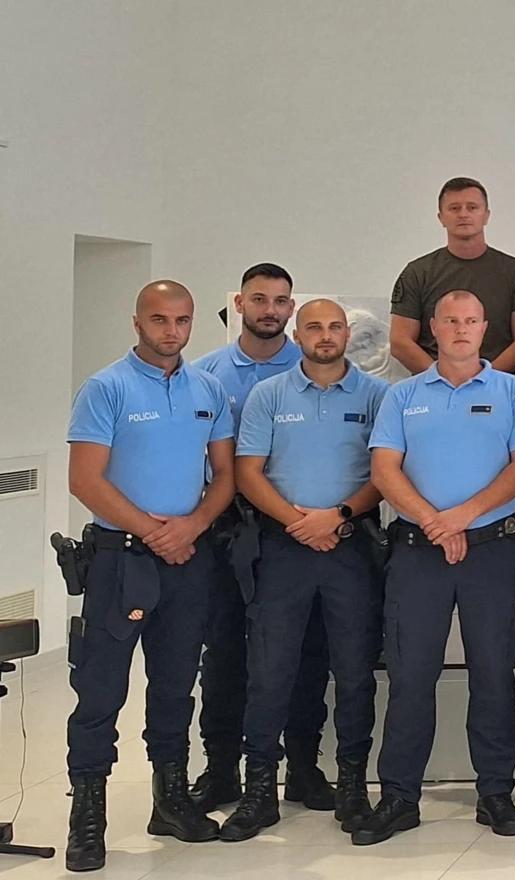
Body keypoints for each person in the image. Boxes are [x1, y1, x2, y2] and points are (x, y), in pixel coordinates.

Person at [354, 291, 515, 845]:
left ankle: (495, 792)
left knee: (494, 672)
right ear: (433, 328)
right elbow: (384, 470)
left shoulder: (513, 391)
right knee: (411, 675)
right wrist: (434, 522)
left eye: (471, 321)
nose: (461, 329)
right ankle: (399, 796)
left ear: (485, 328)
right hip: (418, 553)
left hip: (491, 552)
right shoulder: (403, 395)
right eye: (450, 321)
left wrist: (460, 517)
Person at [63, 281, 237, 872]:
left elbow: (225, 476)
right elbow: (85, 480)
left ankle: (171, 800)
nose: (172, 331)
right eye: (160, 319)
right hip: (121, 560)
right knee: (100, 690)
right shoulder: (106, 388)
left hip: (188, 559)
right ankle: (88, 817)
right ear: (137, 322)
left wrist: (192, 527)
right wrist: (153, 531)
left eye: (182, 320)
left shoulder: (208, 389)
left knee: (175, 685)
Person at [218, 299, 390, 840]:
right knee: (270, 672)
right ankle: (259, 792)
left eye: (335, 326)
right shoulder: (269, 395)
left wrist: (337, 517)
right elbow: (248, 472)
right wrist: (300, 523)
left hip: (352, 546)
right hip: (283, 547)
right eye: (313, 327)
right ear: (297, 335)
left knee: (355, 673)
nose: (325, 335)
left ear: (347, 334)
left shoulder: (377, 395)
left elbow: (387, 472)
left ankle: (352, 787)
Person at [187, 264, 334, 816]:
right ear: (239, 304)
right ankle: (222, 769)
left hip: (296, 530)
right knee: (224, 652)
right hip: (226, 527)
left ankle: (303, 768)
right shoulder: (207, 375)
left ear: (291, 310)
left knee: (305, 653)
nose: (269, 310)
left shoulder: (313, 368)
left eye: (279, 301)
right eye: (259, 299)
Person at [389, 177, 515, 374]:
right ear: (441, 217)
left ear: (486, 215)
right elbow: (400, 341)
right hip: (432, 385)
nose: (463, 214)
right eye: (454, 208)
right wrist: (441, 380)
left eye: (472, 207)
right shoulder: (417, 273)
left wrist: (486, 380)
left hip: (498, 383)